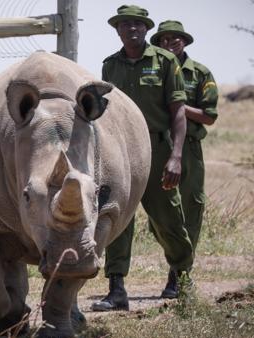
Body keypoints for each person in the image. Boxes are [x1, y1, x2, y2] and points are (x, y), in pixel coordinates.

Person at [91, 5, 194, 312]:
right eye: (126, 25)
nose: (132, 29)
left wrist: (175, 156)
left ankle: (181, 277)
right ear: (117, 30)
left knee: (168, 218)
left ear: (147, 29)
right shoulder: (110, 66)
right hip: (121, 150)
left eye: (138, 24)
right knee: (117, 217)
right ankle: (116, 289)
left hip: (157, 147)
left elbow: (179, 111)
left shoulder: (165, 61)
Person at [150, 20, 219, 295]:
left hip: (188, 148)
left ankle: (178, 275)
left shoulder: (200, 73)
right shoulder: (153, 71)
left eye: (175, 39)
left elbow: (209, 116)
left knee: (190, 209)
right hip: (157, 145)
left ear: (185, 42)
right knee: (159, 214)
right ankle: (175, 257)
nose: (169, 44)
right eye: (164, 40)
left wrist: (176, 105)